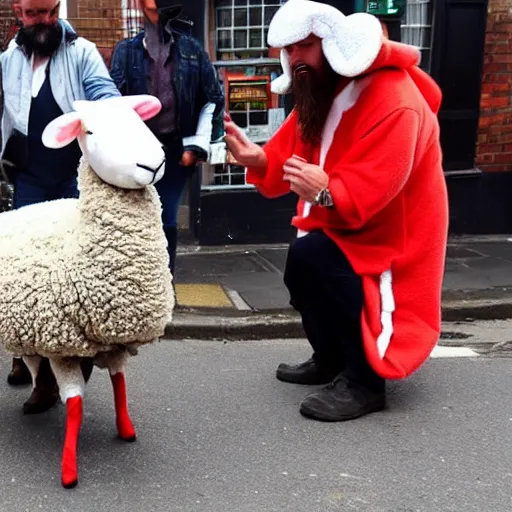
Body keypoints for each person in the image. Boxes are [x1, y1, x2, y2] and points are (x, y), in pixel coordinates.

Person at [224, 0, 449, 422]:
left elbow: (374, 191)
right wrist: (258, 160)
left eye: (305, 46)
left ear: (331, 43)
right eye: (289, 50)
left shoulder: (395, 99)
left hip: (391, 235)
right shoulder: (324, 89)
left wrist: (328, 190)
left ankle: (365, 383)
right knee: (302, 269)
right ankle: (330, 357)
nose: (296, 59)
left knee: (321, 265)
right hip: (345, 224)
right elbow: (288, 152)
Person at [1, 0, 121, 413]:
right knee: (27, 271)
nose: (46, 21)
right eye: (35, 14)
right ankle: (31, 363)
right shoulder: (10, 59)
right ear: (18, 11)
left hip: (74, 177)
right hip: (29, 178)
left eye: (51, 11)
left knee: (70, 274)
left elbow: (104, 93)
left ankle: (64, 373)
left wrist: (111, 114)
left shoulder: (82, 51)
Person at [110, 0, 224, 276]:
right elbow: (112, 102)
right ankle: (137, 282)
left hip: (174, 152)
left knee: (165, 217)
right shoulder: (126, 52)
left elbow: (213, 99)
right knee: (135, 220)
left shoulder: (192, 50)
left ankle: (163, 283)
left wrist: (196, 146)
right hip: (135, 154)